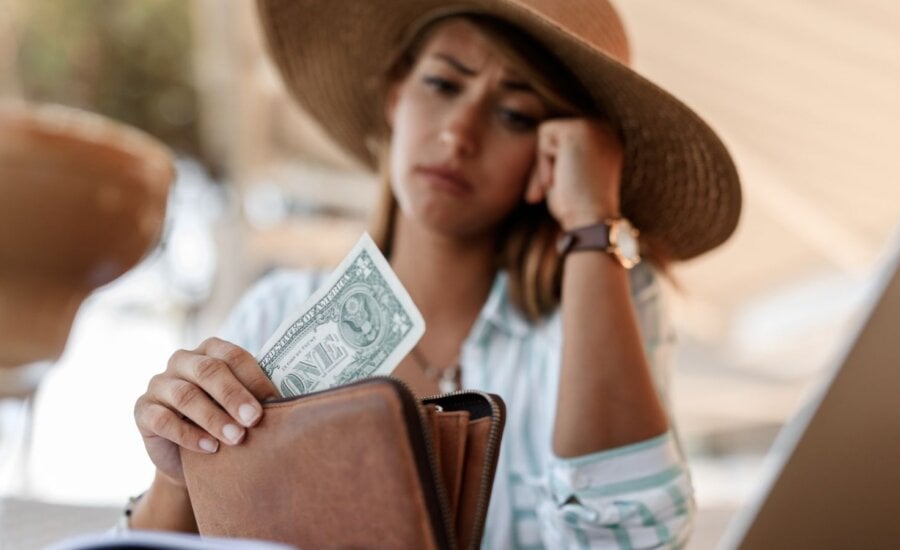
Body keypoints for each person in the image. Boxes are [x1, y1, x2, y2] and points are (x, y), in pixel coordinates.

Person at [127, 0, 741, 548]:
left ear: (554, 159)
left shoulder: (603, 299)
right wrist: (182, 471)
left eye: (517, 116)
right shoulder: (273, 312)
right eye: (445, 83)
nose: (458, 133)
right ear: (396, 97)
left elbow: (630, 540)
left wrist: (589, 221)